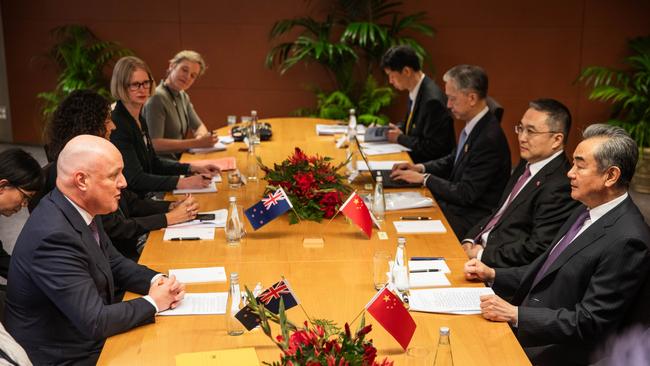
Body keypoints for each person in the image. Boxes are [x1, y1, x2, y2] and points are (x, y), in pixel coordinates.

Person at [464, 124, 650, 366]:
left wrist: (516, 315)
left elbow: (590, 321)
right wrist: (493, 273)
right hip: (531, 324)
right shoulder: (584, 211)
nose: (570, 173)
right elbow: (544, 271)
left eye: (580, 166)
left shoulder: (628, 239)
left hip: (561, 350)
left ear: (610, 176)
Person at [5, 135, 186, 364]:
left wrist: (157, 281)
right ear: (81, 181)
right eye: (114, 175)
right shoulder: (52, 237)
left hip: (85, 336)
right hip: (64, 355)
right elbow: (96, 321)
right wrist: (154, 302)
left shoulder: (80, 206)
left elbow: (114, 262)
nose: (124, 183)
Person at [39, 89, 199, 260]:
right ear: (90, 125)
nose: (113, 126)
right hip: (115, 255)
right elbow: (115, 228)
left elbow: (130, 202)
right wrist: (167, 218)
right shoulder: (75, 170)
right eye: (107, 120)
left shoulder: (95, 156)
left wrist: (169, 207)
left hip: (122, 249)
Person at [391, 64, 511, 238]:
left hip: (471, 218)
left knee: (404, 231)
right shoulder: (476, 125)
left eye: (452, 99)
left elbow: (466, 194)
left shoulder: (488, 139)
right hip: (456, 207)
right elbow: (453, 160)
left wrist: (425, 179)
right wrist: (420, 168)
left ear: (471, 98)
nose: (448, 104)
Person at [460, 99, 580, 267]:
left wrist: (481, 254)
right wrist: (469, 239)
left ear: (556, 139)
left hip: (497, 270)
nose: (522, 138)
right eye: (520, 128)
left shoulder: (560, 185)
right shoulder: (526, 162)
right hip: (478, 249)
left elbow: (537, 248)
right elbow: (498, 213)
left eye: (531, 131)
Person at [109, 56, 219, 197]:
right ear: (121, 86)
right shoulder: (118, 123)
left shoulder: (138, 118)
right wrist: (182, 182)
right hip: (135, 205)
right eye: (135, 84)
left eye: (146, 83)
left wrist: (192, 168)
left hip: (147, 195)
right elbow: (135, 179)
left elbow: (153, 163)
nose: (142, 89)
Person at [381, 45, 455, 163]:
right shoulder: (416, 89)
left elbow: (433, 148)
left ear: (406, 71)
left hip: (428, 167)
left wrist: (399, 138)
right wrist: (395, 129)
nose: (390, 81)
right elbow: (412, 125)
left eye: (392, 76)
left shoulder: (432, 101)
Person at [143, 50, 218, 159]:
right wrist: (197, 143)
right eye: (184, 70)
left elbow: (199, 126)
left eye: (193, 75)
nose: (188, 77)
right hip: (160, 166)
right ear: (172, 66)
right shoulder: (157, 97)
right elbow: (154, 143)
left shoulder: (183, 96)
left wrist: (200, 137)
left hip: (179, 160)